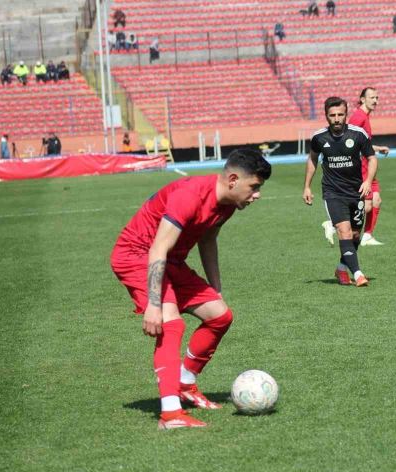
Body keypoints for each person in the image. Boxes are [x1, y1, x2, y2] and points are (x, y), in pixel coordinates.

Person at [111, 149, 271, 430]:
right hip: (138, 255)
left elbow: (208, 240)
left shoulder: (228, 204)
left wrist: (216, 289)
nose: (257, 195)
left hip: (170, 259)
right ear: (233, 179)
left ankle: (186, 383)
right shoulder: (190, 195)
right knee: (171, 324)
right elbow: (158, 247)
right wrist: (154, 303)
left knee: (219, 316)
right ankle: (170, 415)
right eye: (254, 187)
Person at [303, 96, 377, 287]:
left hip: (356, 192)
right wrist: (307, 186)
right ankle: (359, 274)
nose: (336, 118)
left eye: (340, 114)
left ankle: (341, 268)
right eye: (332, 115)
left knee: (354, 236)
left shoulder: (358, 134)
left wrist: (368, 181)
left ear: (346, 115)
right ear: (326, 116)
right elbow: (312, 160)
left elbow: (372, 158)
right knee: (344, 232)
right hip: (333, 193)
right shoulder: (319, 137)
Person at [347, 87, 390, 246]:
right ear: (363, 99)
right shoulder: (359, 117)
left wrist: (377, 149)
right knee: (366, 206)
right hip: (362, 168)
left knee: (376, 200)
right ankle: (334, 222)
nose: (375, 101)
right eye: (372, 97)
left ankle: (367, 236)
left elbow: (363, 143)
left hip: (369, 167)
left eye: (377, 98)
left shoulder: (365, 116)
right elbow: (349, 138)